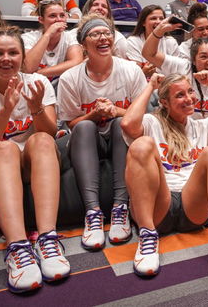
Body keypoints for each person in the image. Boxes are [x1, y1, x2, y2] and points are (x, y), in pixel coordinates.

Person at [0, 28, 70, 293]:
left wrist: (36, 107)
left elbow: (49, 133)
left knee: (41, 140)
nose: (6, 58)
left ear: (22, 56)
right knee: (5, 149)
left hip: (27, 163)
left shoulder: (36, 83)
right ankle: (17, 247)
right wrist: (5, 111)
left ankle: (47, 239)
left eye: (13, 52)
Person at [121, 73, 208, 276]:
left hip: (193, 208)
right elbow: (127, 124)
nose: (189, 98)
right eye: (180, 95)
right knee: (141, 145)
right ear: (165, 102)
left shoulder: (202, 125)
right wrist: (150, 86)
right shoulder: (152, 122)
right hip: (158, 207)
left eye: (190, 91)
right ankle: (147, 236)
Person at [56, 15, 147, 250]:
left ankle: (120, 208)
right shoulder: (70, 78)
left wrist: (115, 110)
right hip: (88, 140)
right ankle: (93, 213)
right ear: (84, 44)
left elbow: (140, 116)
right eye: (95, 34)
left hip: (121, 136)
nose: (103, 38)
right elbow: (70, 123)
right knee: (85, 126)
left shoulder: (130, 70)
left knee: (121, 122)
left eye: (107, 33)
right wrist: (93, 116)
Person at [143, 18, 208, 119]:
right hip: (173, 127)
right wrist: (159, 30)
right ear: (193, 60)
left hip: (204, 131)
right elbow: (149, 54)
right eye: (203, 56)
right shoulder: (181, 66)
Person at [22, 0, 84, 83]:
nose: (58, 19)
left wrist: (38, 73)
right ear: (41, 20)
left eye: (62, 15)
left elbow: (76, 63)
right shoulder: (28, 38)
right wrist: (48, 34)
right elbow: (28, 68)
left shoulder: (70, 37)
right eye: (52, 16)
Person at [126, 5, 178, 79]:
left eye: (161, 18)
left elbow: (176, 71)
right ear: (143, 23)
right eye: (153, 18)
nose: (158, 22)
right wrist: (144, 72)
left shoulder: (171, 42)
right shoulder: (133, 42)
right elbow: (134, 72)